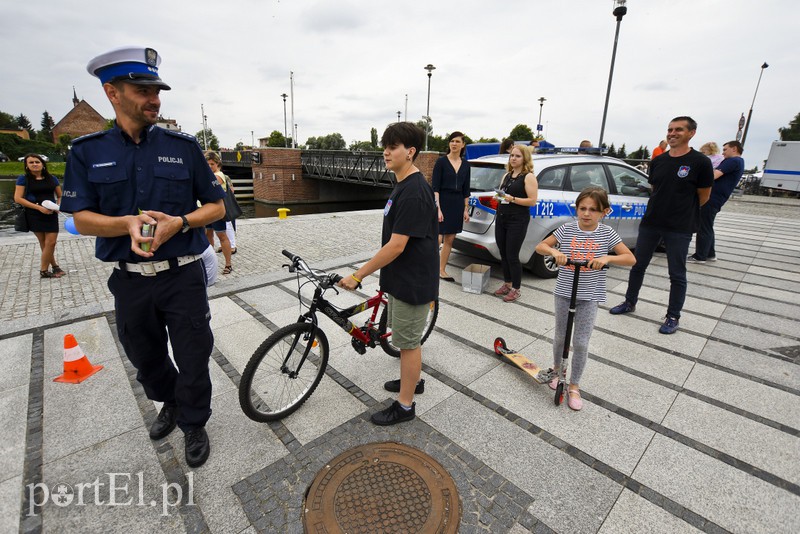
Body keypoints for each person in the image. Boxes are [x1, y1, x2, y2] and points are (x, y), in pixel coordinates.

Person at [60, 47, 226, 468]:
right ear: (112, 92)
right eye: (144, 91)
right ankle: (169, 401)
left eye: (157, 91)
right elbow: (79, 217)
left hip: (182, 275)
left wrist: (180, 223)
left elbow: (217, 207)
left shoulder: (183, 147)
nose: (154, 99)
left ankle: (193, 422)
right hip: (130, 278)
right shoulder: (86, 151)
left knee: (193, 355)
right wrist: (126, 224)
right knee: (144, 356)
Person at [338, 122, 438, 426]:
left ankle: (405, 406)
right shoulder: (403, 184)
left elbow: (396, 245)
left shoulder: (413, 191)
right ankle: (412, 380)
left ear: (410, 152)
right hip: (401, 276)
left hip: (413, 281)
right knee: (404, 339)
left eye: (393, 147)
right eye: (385, 146)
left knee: (408, 343)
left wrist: (358, 275)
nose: (386, 152)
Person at [609, 116, 713, 334]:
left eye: (678, 130)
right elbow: (656, 189)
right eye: (670, 129)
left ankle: (673, 315)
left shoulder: (700, 162)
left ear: (691, 133)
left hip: (680, 226)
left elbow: (703, 196)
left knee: (677, 273)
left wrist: (682, 211)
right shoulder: (659, 161)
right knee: (638, 265)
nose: (672, 133)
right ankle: (629, 302)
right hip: (652, 222)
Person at [535, 187, 635, 410]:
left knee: (580, 342)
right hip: (564, 292)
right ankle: (557, 370)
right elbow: (540, 246)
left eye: (593, 210)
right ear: (577, 209)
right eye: (582, 208)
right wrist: (554, 252)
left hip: (590, 295)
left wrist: (607, 258)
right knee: (560, 337)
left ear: (604, 212)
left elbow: (630, 258)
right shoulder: (567, 229)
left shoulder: (607, 233)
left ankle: (574, 385)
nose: (587, 213)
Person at [492, 145, 539, 302]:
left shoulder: (528, 177)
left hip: (517, 220)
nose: (513, 158)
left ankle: (516, 289)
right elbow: (503, 195)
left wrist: (511, 199)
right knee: (503, 253)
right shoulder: (507, 175)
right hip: (502, 217)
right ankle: (507, 283)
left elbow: (532, 201)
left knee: (512, 255)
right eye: (512, 155)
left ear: (525, 158)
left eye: (517, 156)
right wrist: (499, 197)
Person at [690, 140, 745, 263]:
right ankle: (710, 254)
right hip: (717, 198)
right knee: (707, 225)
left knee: (703, 226)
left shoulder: (733, 161)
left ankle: (700, 256)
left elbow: (713, 175)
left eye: (725, 149)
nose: (723, 153)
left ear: (734, 149)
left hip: (712, 197)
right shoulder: (739, 162)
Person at [14, 154, 66, 278]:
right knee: (44, 242)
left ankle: (48, 268)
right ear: (26, 165)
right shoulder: (23, 179)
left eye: (37, 162)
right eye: (31, 162)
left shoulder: (52, 178)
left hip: (51, 213)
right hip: (34, 213)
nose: (34, 164)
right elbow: (18, 198)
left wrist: (58, 206)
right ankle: (49, 269)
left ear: (42, 164)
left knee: (51, 242)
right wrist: (39, 208)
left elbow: (60, 195)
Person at [432, 131, 470, 281]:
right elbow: (435, 188)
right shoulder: (441, 162)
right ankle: (427, 267)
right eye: (452, 141)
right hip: (442, 201)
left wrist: (465, 209)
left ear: (463, 145)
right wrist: (438, 209)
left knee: (450, 239)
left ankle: (441, 270)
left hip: (457, 203)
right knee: (437, 238)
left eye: (457, 141)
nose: (454, 144)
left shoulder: (466, 165)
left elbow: (466, 189)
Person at [204, 151, 234, 274]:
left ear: (217, 164)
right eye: (207, 164)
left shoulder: (219, 175)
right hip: (206, 210)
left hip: (217, 211)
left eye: (212, 164)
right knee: (208, 235)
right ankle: (211, 262)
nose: (209, 166)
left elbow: (210, 185)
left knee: (221, 235)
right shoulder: (207, 175)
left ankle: (228, 264)